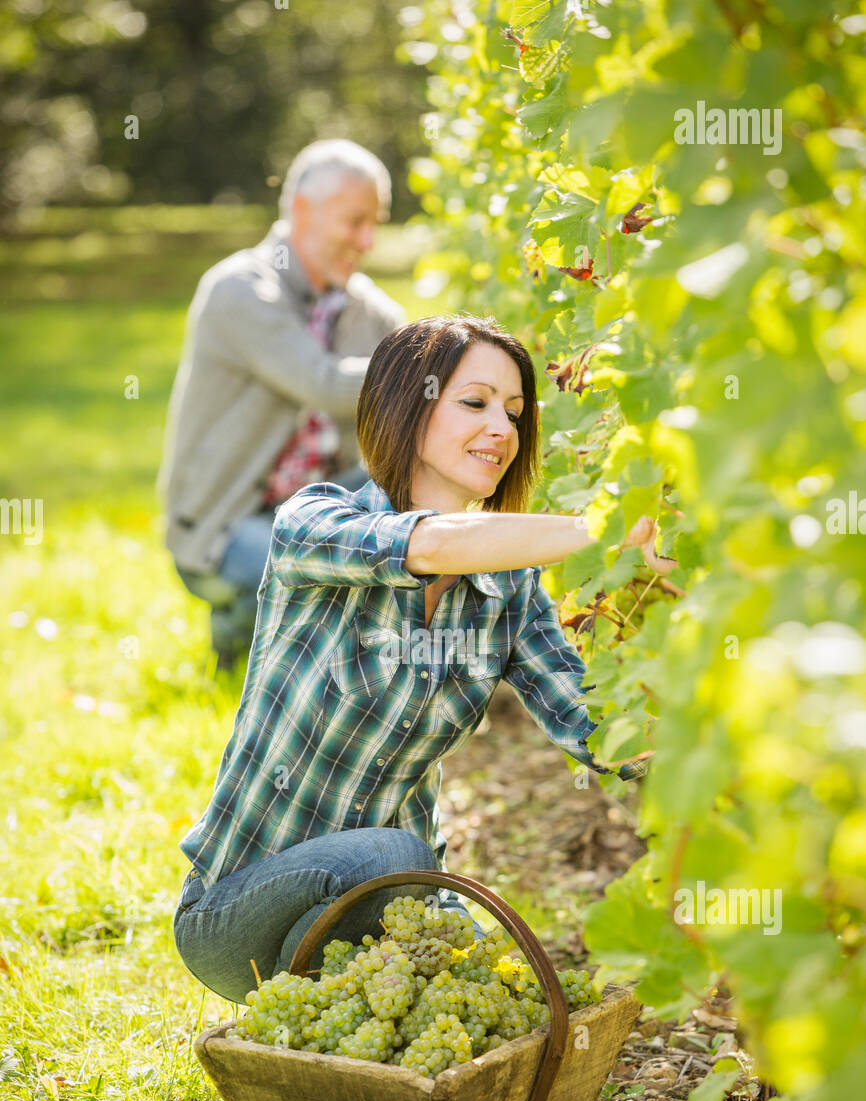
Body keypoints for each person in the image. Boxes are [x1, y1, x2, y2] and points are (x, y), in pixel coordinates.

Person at [171, 313, 676, 1006]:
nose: (503, 427)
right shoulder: (315, 527)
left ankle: (346, 1028)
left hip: (389, 901)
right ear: (408, 406)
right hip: (236, 914)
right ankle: (301, 1017)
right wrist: (609, 533)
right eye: (475, 403)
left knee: (510, 990)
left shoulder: (508, 592)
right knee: (392, 856)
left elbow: (591, 726)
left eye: (516, 411)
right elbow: (429, 546)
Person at [157, 139, 407, 670]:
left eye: (375, 223)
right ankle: (243, 628)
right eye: (354, 220)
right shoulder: (239, 289)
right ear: (301, 210)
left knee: (403, 497)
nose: (368, 240)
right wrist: (428, 369)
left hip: (312, 506)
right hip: (225, 526)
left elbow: (413, 369)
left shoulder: (364, 308)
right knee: (341, 560)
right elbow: (322, 382)